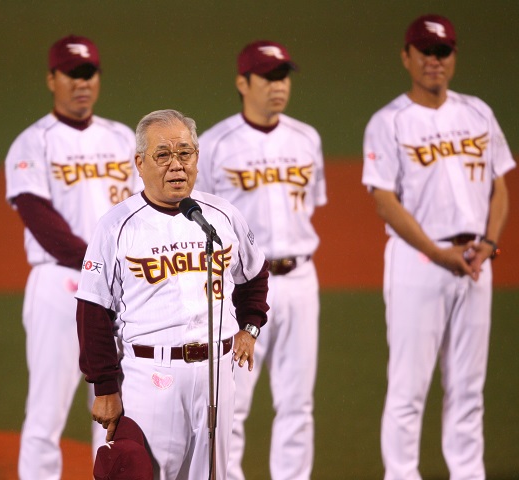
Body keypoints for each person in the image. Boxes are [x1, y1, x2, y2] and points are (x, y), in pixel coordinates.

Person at [76, 109, 270, 479]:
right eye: (163, 155)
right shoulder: (117, 226)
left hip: (217, 373)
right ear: (139, 163)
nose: (176, 165)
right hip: (151, 377)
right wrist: (104, 387)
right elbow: (92, 312)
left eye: (186, 153)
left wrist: (250, 326)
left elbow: (255, 272)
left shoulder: (222, 215)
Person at [362, 14, 515, 480]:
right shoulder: (390, 121)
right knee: (409, 388)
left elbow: (500, 184)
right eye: (425, 51)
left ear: (453, 57)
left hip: (474, 263)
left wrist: (488, 243)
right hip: (418, 262)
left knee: (468, 387)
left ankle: (469, 473)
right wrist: (435, 250)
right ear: (406, 57)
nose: (434, 60)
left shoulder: (477, 112)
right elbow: (384, 200)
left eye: (443, 51)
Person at [4, 34, 138, 479]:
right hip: (60, 287)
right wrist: (101, 263)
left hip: (121, 289)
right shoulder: (34, 142)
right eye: (72, 74)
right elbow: (40, 220)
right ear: (52, 79)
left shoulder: (123, 137)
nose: (82, 83)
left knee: (116, 409)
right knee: (47, 410)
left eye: (89, 74)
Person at [196, 40, 326, 480]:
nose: (278, 86)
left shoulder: (308, 138)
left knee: (297, 402)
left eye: (283, 76)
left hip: (301, 279)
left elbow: (312, 205)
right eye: (268, 77)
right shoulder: (213, 144)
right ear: (242, 82)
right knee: (234, 402)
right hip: (240, 288)